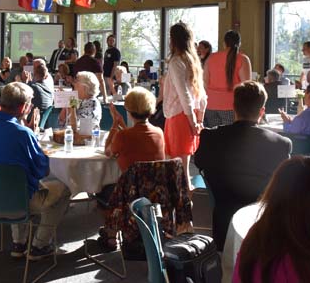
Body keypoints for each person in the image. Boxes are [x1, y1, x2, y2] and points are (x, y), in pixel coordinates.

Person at [0, 82, 71, 260]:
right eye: (31, 103)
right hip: (17, 204)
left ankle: (19, 242)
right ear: (24, 107)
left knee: (14, 179)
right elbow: (43, 171)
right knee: (64, 189)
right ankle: (40, 244)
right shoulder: (23, 134)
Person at [195, 80, 291, 251]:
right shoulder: (281, 144)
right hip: (263, 225)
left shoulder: (210, 138)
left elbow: (200, 163)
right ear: (262, 111)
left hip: (224, 223)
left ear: (234, 107)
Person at [97, 87, 165, 251]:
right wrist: (121, 124)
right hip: (154, 190)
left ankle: (112, 235)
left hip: (129, 192)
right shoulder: (159, 132)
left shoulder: (123, 136)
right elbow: (137, 138)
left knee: (103, 190)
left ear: (128, 110)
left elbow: (108, 152)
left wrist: (114, 124)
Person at [162, 22, 207, 190]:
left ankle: (182, 210)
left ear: (172, 40)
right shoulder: (193, 61)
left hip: (180, 116)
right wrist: (199, 118)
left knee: (179, 171)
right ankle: (184, 209)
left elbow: (184, 95)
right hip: (190, 115)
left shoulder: (175, 62)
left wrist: (193, 121)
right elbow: (202, 95)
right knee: (183, 169)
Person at [204, 30, 252, 128]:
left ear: (224, 43)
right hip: (232, 106)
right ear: (239, 44)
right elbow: (247, 86)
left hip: (211, 105)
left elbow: (204, 82)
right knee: (231, 139)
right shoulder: (243, 59)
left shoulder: (211, 58)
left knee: (216, 138)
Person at [59, 71, 102, 136]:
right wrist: (65, 105)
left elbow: (75, 129)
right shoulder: (79, 100)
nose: (74, 84)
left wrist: (72, 107)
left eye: (76, 81)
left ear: (85, 87)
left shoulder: (92, 104)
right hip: (72, 140)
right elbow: (61, 123)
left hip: (84, 142)